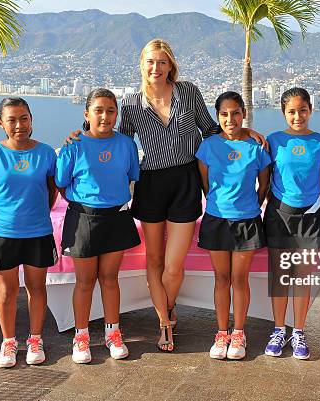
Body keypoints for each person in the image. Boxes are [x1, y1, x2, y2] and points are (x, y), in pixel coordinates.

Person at [65, 38, 266, 351]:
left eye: (162, 62)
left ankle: (167, 307)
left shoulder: (188, 92)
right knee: (154, 261)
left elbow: (211, 128)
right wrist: (80, 131)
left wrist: (244, 133)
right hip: (150, 184)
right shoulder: (131, 103)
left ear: (171, 65)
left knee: (173, 266)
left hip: (185, 181)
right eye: (150, 62)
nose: (156, 68)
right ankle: (164, 323)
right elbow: (115, 140)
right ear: (142, 66)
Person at [56, 88, 141, 363]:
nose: (105, 117)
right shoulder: (74, 145)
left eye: (111, 111)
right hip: (82, 219)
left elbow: (130, 176)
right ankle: (81, 337)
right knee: (84, 281)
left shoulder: (126, 144)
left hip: (116, 217)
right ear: (87, 114)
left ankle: (112, 333)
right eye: (99, 110)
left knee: (109, 278)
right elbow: (61, 183)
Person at [0, 97, 58, 368]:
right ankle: (8, 342)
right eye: (11, 119)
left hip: (37, 231)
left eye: (24, 118)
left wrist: (36, 215)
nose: (19, 124)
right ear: (1, 123)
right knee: (6, 291)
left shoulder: (46, 153)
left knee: (37, 288)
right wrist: (0, 216)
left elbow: (52, 190)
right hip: (2, 233)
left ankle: (35, 339)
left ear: (31, 119)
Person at [196, 91, 271, 360]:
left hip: (247, 221)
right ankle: (221, 332)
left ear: (244, 114)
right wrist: (220, 204)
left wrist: (249, 207)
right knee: (221, 279)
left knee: (240, 280)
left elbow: (264, 185)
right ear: (218, 116)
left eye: (236, 113)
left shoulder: (256, 148)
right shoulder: (207, 146)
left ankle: (239, 332)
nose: (231, 118)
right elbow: (206, 184)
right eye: (225, 114)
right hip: (216, 220)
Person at [263, 87, 320, 360]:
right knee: (280, 276)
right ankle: (279, 330)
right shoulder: (273, 140)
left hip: (311, 216)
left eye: (303, 110)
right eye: (291, 111)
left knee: (303, 277)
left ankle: (298, 330)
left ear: (311, 110)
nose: (297, 116)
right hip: (279, 215)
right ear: (283, 113)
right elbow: (265, 180)